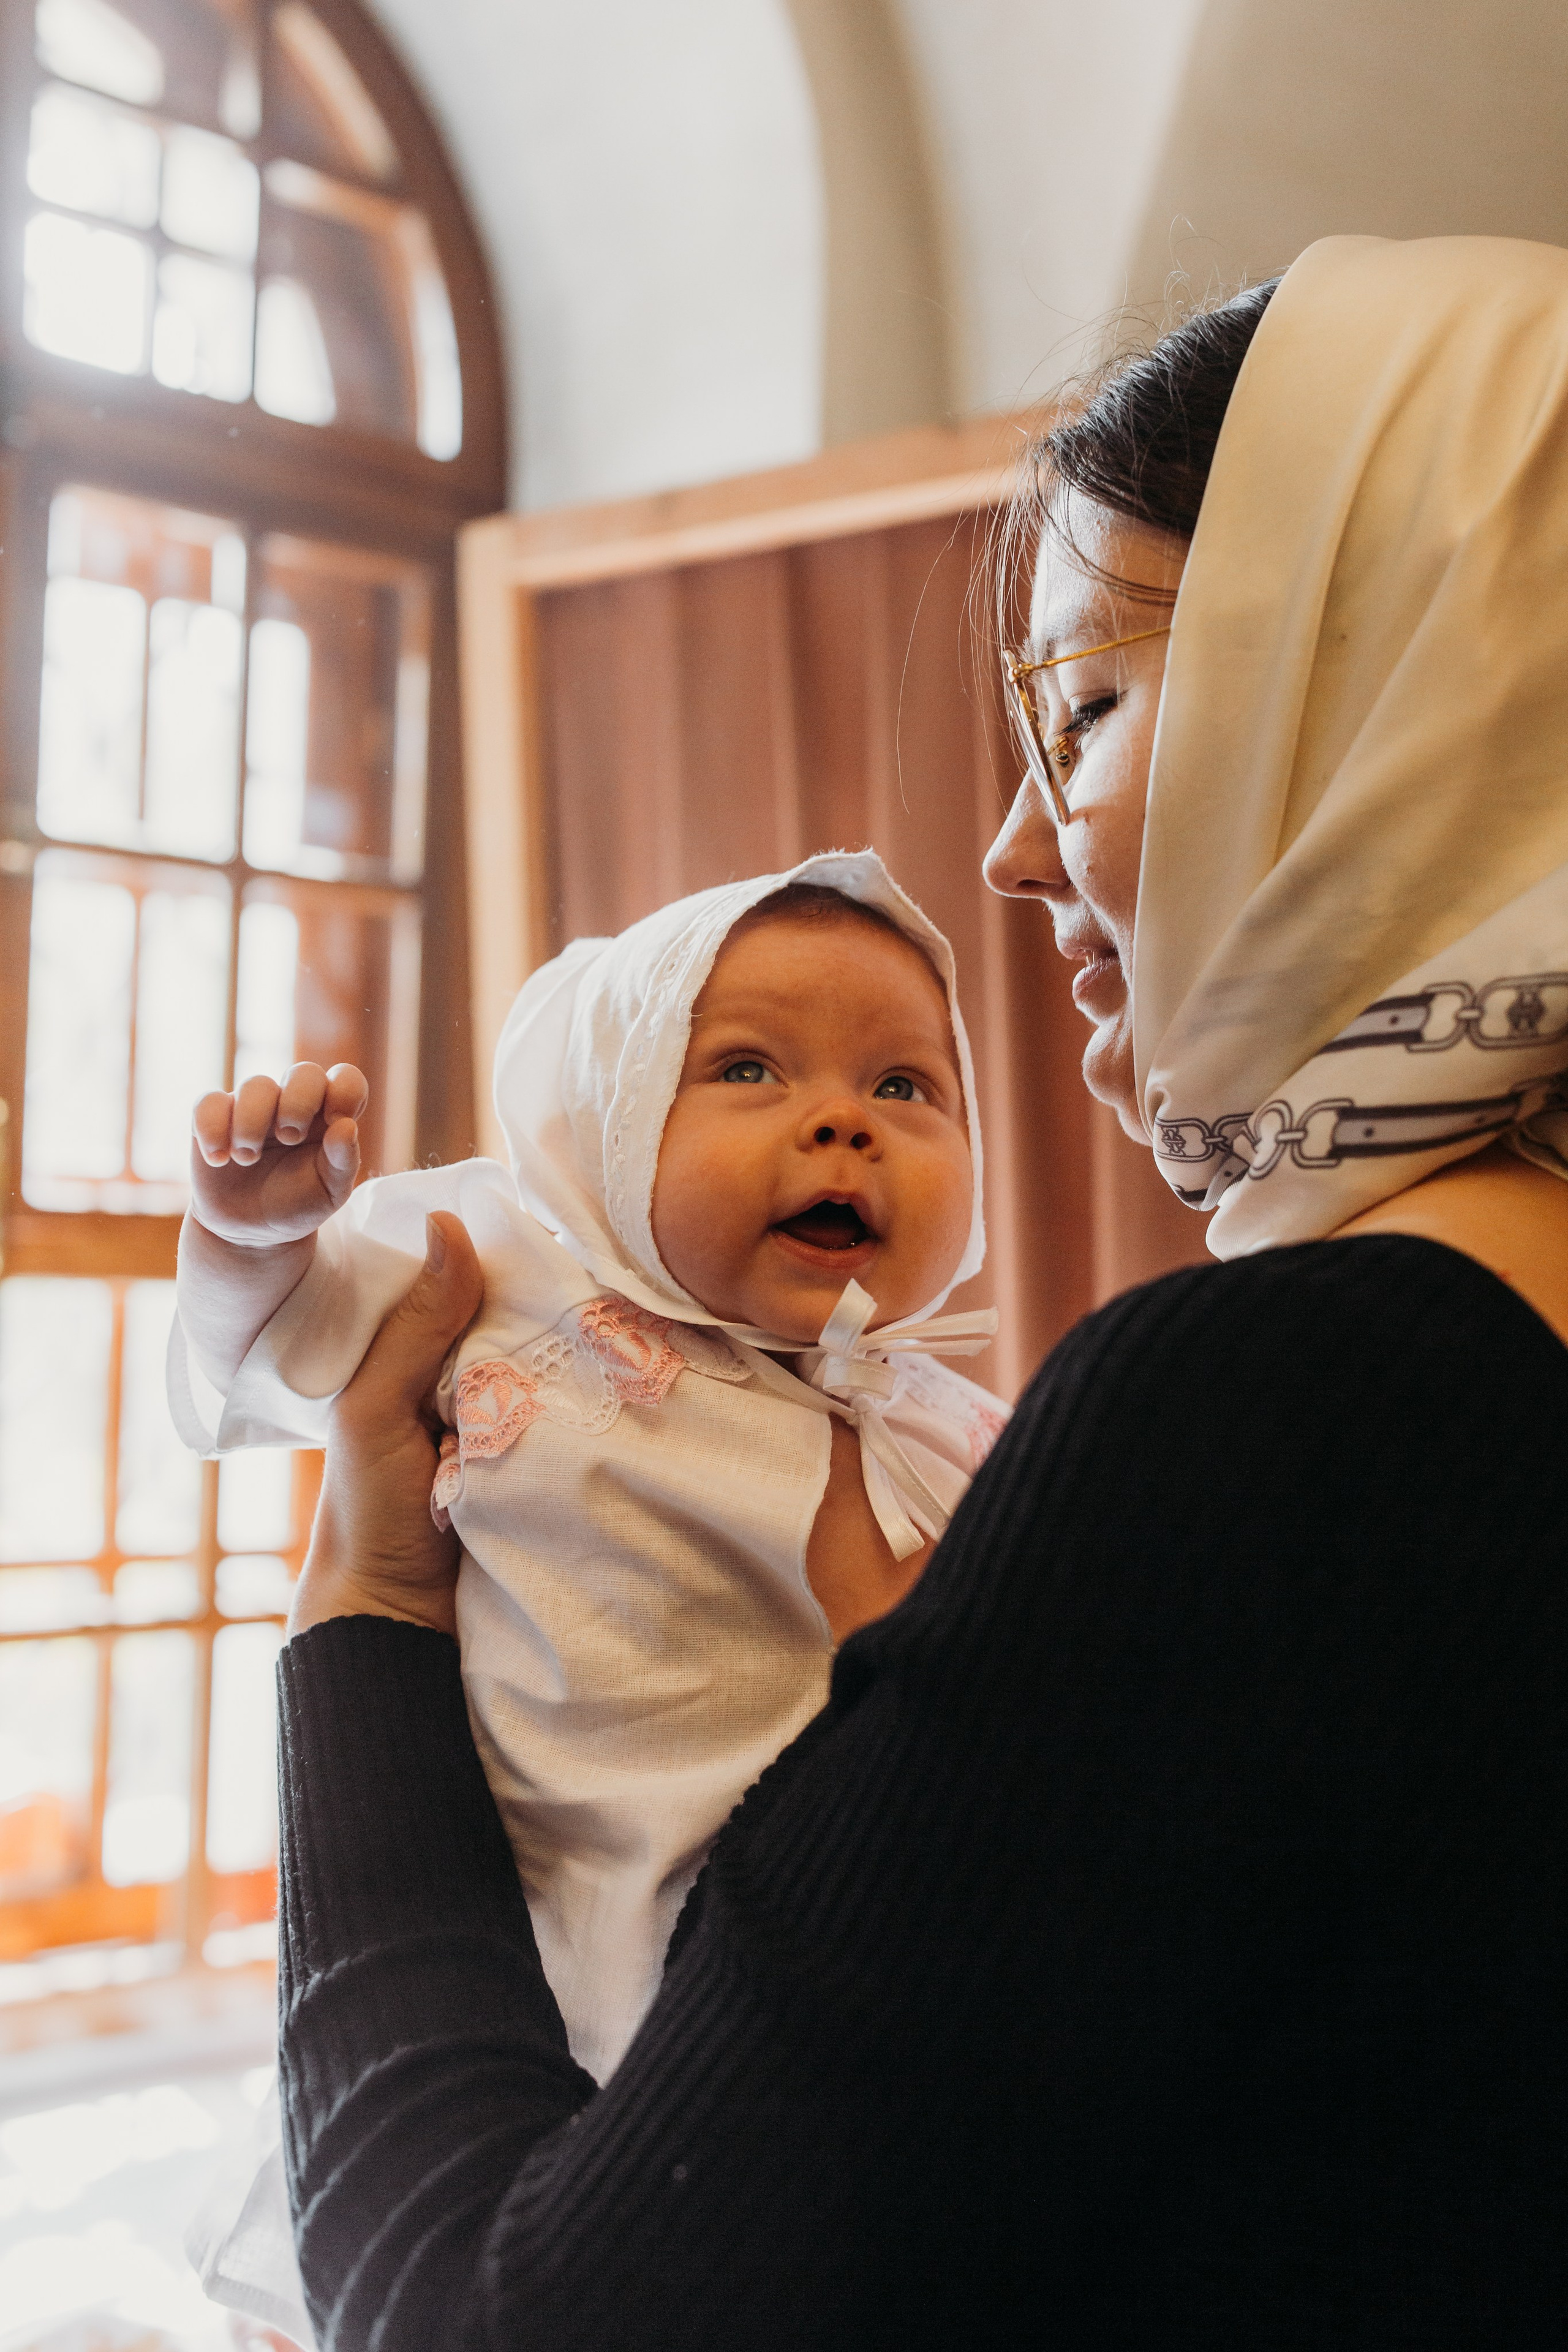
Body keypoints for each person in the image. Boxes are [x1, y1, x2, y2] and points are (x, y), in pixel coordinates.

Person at [272, 236, 1568, 2349]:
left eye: (1088, 707)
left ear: (1412, 701)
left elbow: (494, 2325)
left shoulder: (1288, 1412)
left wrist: (371, 1609)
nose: (1015, 855)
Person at [174, 854, 1005, 2340]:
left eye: (906, 1087)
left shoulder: (944, 1424)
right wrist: (253, 1235)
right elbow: (280, 1356)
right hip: (556, 1935)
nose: (841, 1120)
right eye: (746, 1067)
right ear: (601, 1116)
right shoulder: (508, 1269)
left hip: (816, 1957)